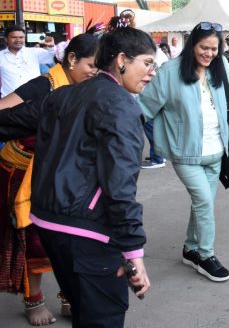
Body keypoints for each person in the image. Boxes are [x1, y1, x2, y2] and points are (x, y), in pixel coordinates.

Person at [0, 25, 153, 327]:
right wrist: (133, 250)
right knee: (102, 317)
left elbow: (7, 121)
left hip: (47, 222)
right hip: (86, 231)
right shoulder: (121, 106)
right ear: (122, 60)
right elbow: (120, 185)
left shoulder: (63, 95)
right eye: (147, 63)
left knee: (83, 307)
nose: (151, 73)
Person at [138, 22, 229, 282]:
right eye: (204, 47)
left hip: (218, 152)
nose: (209, 53)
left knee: (201, 203)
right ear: (192, 45)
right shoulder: (170, 72)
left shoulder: (220, 67)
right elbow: (144, 107)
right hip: (186, 154)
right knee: (204, 202)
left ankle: (190, 248)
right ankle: (206, 256)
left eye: (214, 48)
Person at [0, 30, 98, 326]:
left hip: (64, 171)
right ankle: (34, 300)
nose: (95, 72)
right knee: (36, 238)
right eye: (91, 65)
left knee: (72, 235)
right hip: (25, 171)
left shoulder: (89, 89)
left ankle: (69, 296)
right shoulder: (43, 86)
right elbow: (2, 111)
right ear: (71, 59)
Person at [0, 25, 56, 98]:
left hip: (34, 100)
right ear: (6, 39)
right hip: (9, 101)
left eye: (21, 37)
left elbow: (52, 58)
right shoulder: (1, 56)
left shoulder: (35, 52)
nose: (18, 40)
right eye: (14, 37)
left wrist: (51, 47)